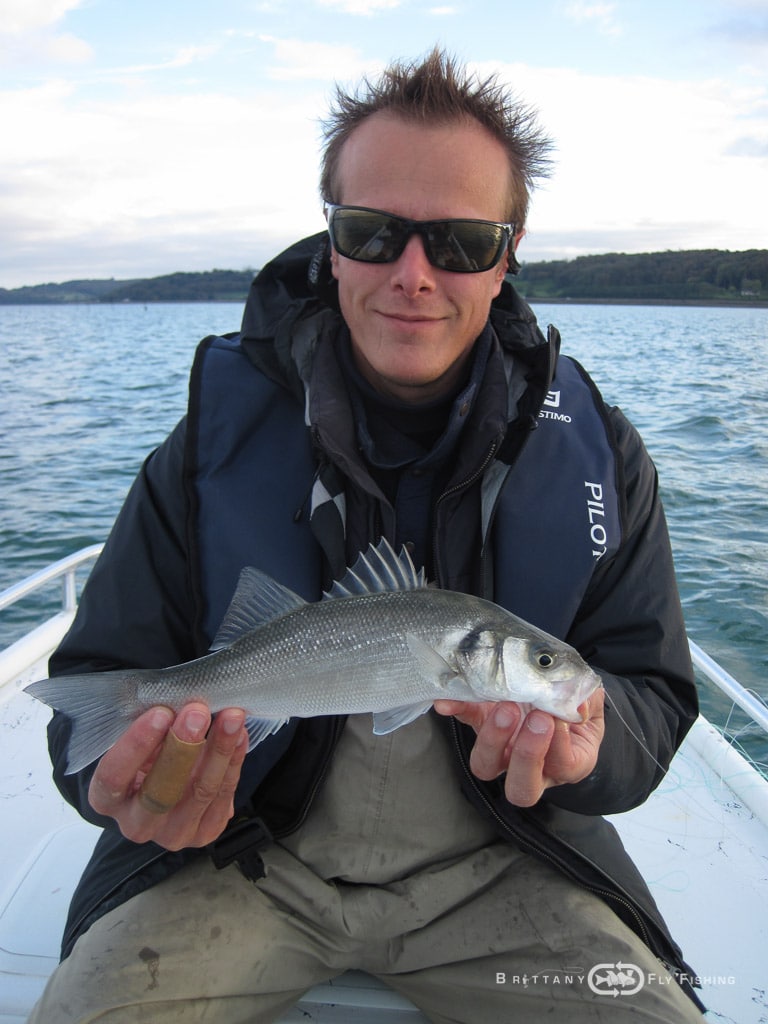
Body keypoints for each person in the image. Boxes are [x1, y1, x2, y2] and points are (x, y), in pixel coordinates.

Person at [29, 49, 705, 1023]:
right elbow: (94, 693)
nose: (414, 274)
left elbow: (649, 693)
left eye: (463, 241)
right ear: (332, 243)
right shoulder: (205, 447)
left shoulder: (605, 456)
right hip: (237, 856)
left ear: (508, 253)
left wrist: (587, 752)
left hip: (506, 863)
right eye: (374, 232)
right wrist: (121, 777)